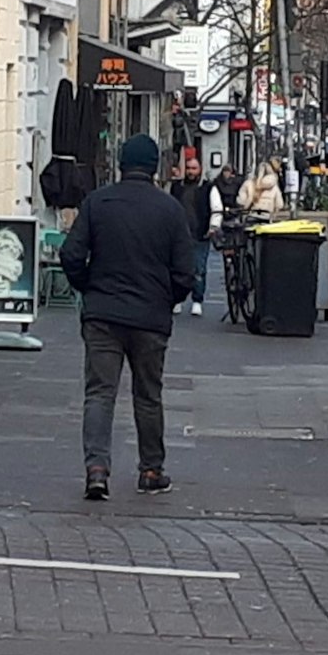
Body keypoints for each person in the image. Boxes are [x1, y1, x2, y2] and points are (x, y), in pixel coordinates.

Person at [60, 133, 194, 501]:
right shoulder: (169, 210)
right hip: (150, 318)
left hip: (103, 314)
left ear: (121, 164)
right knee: (148, 395)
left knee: (100, 394)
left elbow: (71, 254)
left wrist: (88, 286)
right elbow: (185, 272)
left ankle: (97, 470)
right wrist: (167, 298)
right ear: (154, 168)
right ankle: (151, 470)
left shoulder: (97, 203)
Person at [167, 155, 223, 316]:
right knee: (176, 268)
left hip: (200, 234)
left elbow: (216, 208)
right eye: (189, 168)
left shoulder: (208, 188)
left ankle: (197, 300)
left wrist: (213, 227)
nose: (191, 172)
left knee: (199, 269)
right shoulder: (176, 187)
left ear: (200, 170)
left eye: (194, 168)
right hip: (178, 236)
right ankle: (177, 300)